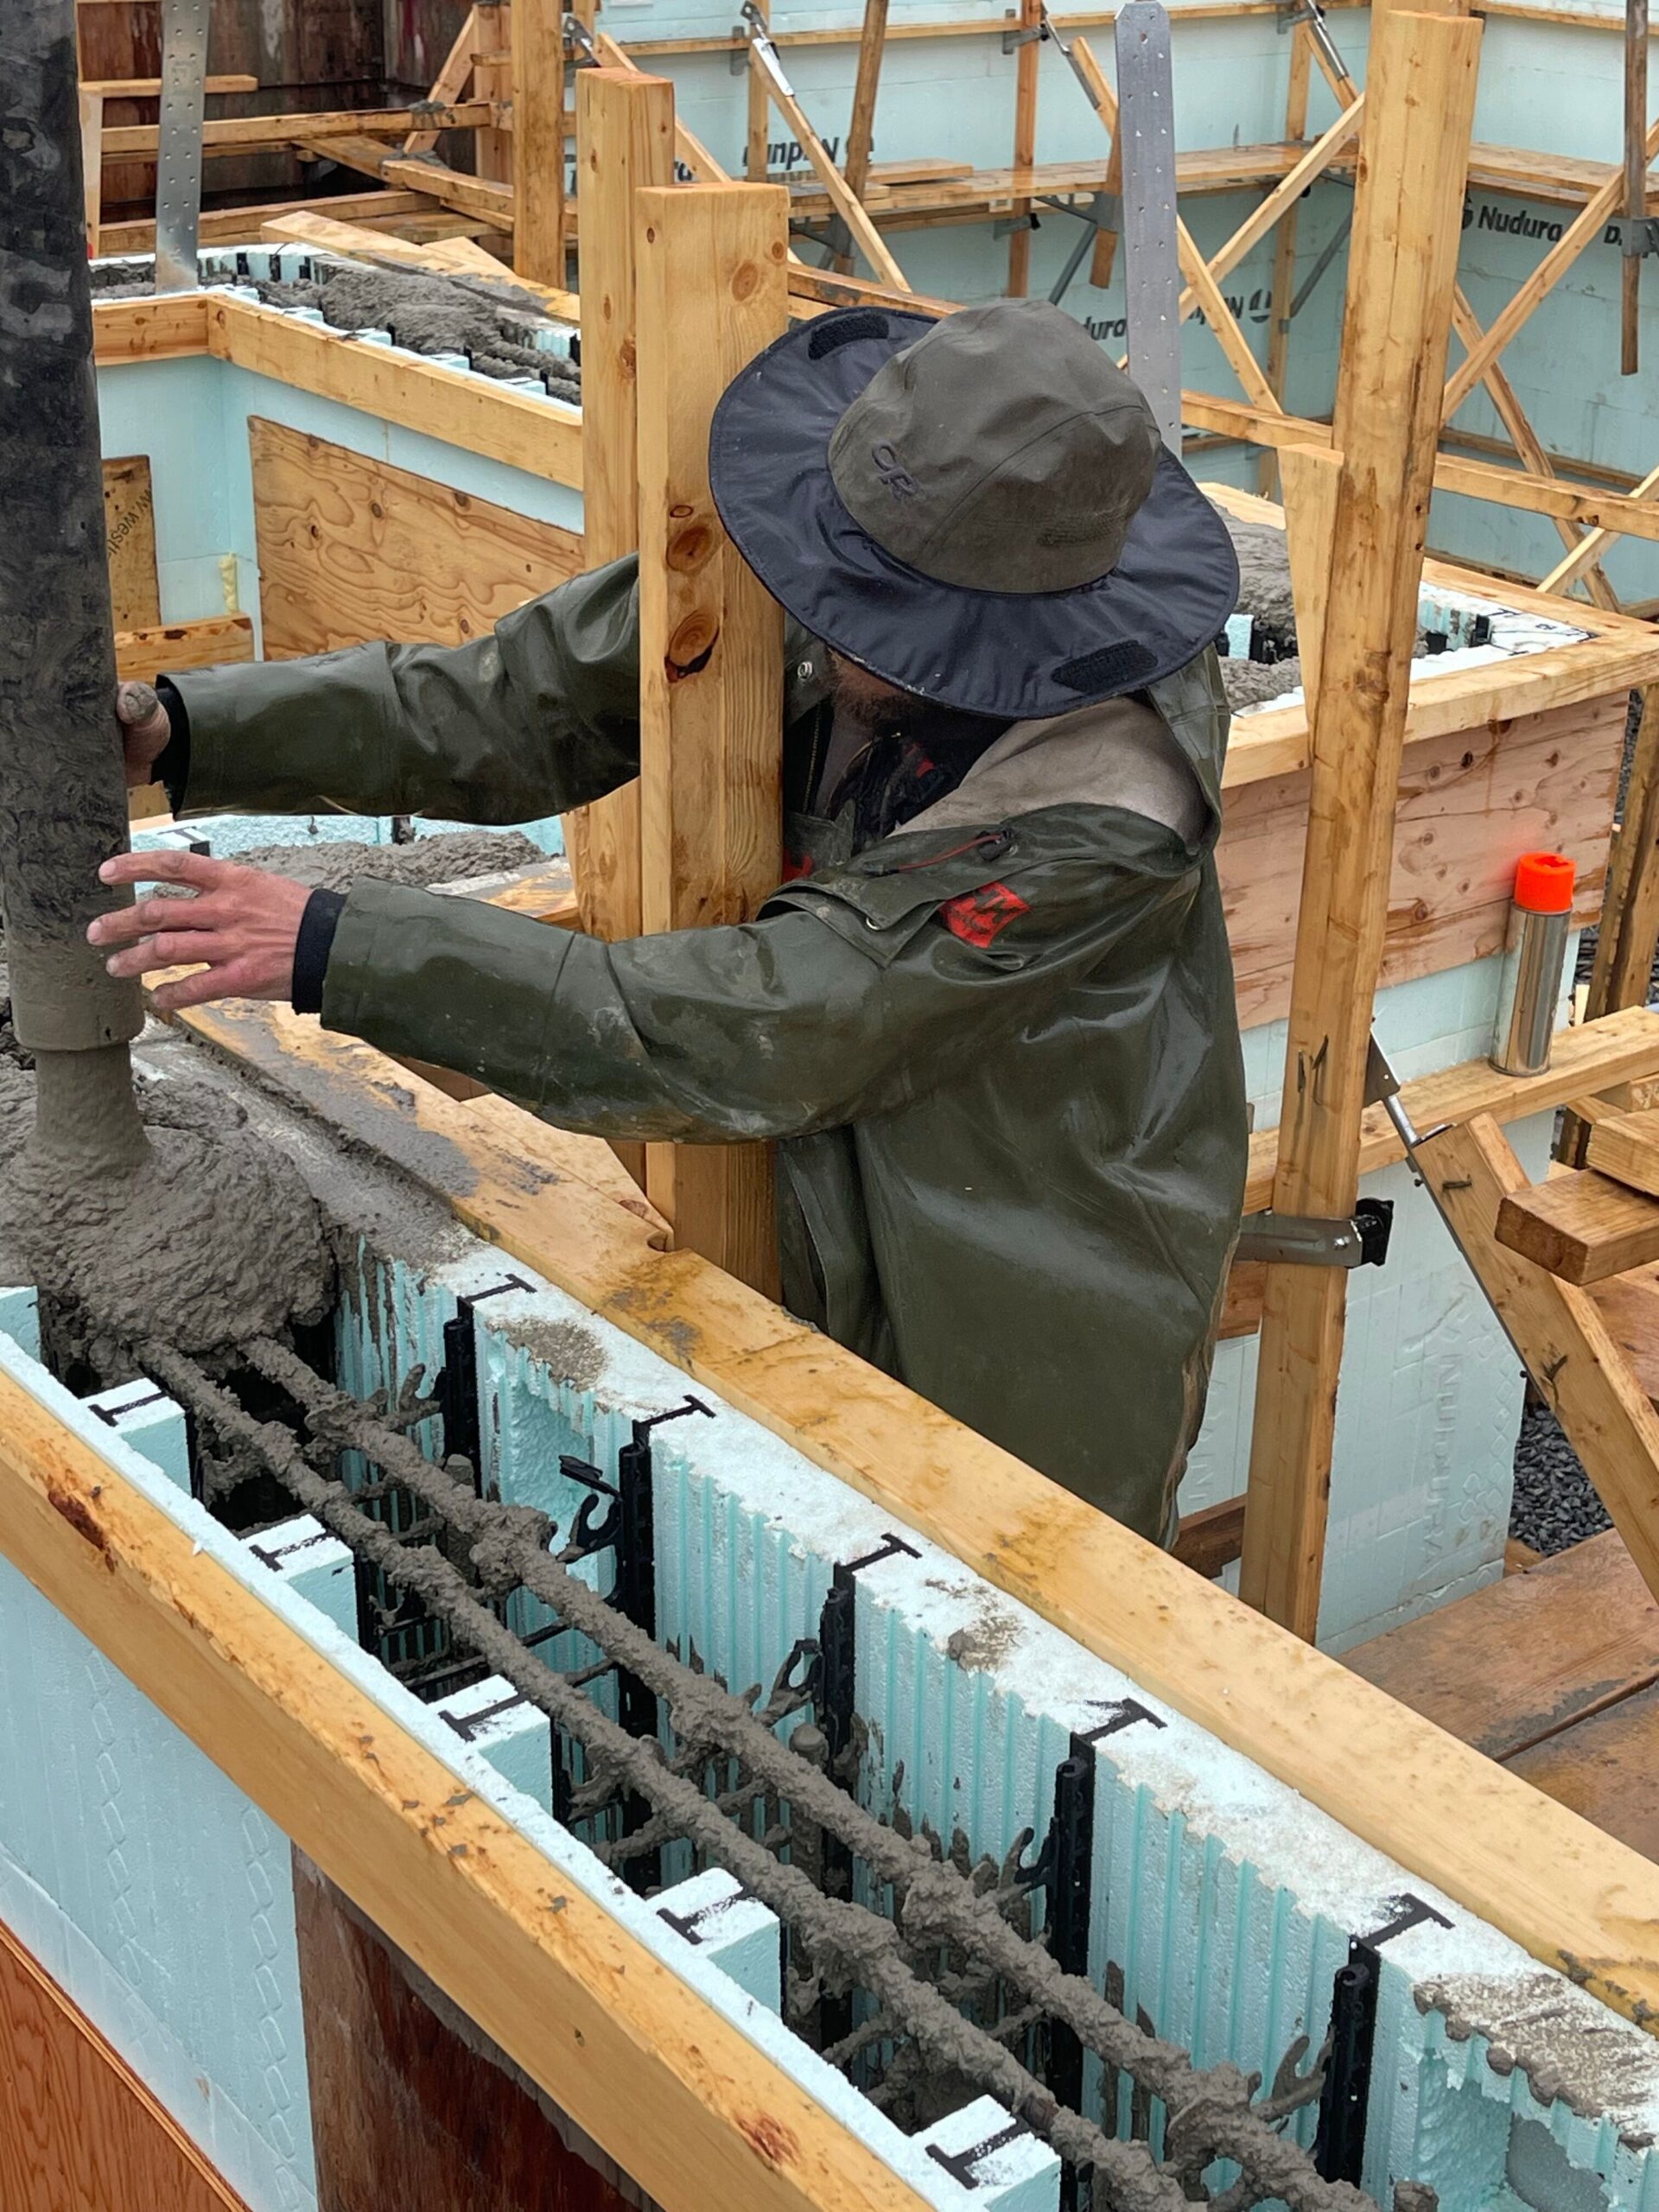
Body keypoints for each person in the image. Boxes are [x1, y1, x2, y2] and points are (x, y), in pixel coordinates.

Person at [98, 297, 1247, 1544]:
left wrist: (341, 945)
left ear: (996, 635)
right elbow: (514, 707)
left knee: (1012, 1636)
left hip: (1028, 1308)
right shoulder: (825, 546)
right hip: (812, 1222)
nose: (828, 622)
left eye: (880, 616)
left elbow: (785, 1019)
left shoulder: (1106, 801)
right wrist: (187, 730)